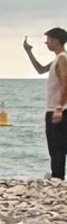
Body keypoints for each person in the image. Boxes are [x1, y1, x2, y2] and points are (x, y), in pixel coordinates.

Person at [24, 28, 67, 179]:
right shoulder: (58, 58)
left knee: (57, 147)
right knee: (56, 146)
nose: (47, 43)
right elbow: (40, 69)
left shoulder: (62, 58)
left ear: (56, 40)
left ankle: (58, 177)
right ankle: (57, 176)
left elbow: (65, 83)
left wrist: (59, 108)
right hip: (56, 108)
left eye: (48, 40)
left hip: (59, 109)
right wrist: (28, 52)